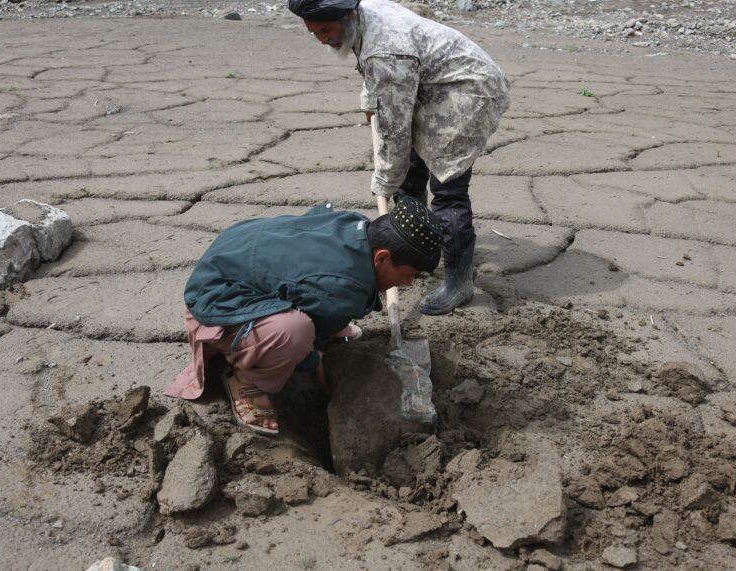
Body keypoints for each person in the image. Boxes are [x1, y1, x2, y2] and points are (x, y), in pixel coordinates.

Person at [288, 0, 510, 315]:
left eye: (327, 30)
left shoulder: (386, 53)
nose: (323, 39)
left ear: (348, 16)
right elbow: (377, 75)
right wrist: (370, 98)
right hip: (430, 83)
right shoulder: (364, 13)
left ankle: (458, 282)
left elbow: (394, 132)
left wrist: (385, 180)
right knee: (409, 173)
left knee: (447, 190)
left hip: (468, 92)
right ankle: (417, 247)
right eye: (315, 33)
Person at [164, 198, 442, 435]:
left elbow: (312, 270)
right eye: (408, 275)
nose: (408, 284)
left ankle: (302, 330)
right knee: (295, 333)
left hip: (230, 255)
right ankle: (246, 380)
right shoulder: (342, 289)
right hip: (216, 301)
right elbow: (321, 306)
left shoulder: (355, 224)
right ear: (381, 258)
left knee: (325, 312)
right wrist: (312, 359)